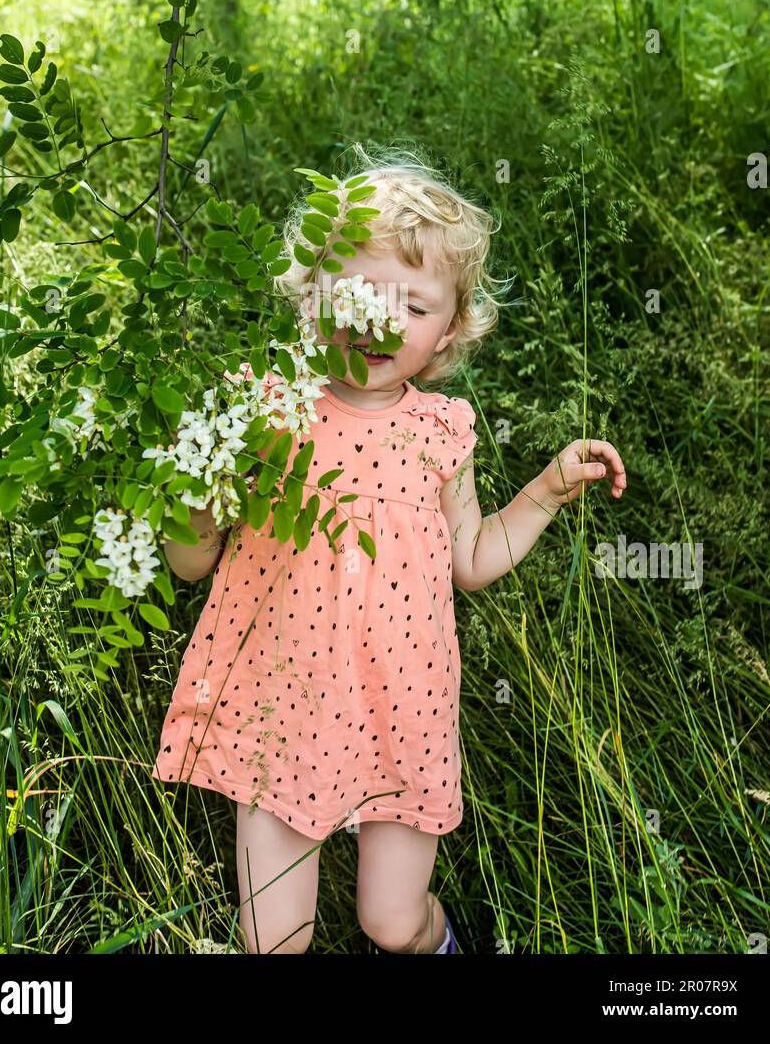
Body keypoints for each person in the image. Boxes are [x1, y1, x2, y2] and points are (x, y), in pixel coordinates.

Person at [151, 144, 627, 954]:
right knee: (274, 940)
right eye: (361, 290)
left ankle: (450, 943)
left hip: (402, 706)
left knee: (392, 921)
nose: (380, 319)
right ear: (312, 292)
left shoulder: (441, 432)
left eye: (414, 306)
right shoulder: (261, 407)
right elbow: (192, 563)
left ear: (446, 334)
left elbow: (470, 559)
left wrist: (544, 491)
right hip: (280, 704)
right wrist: (192, 493)